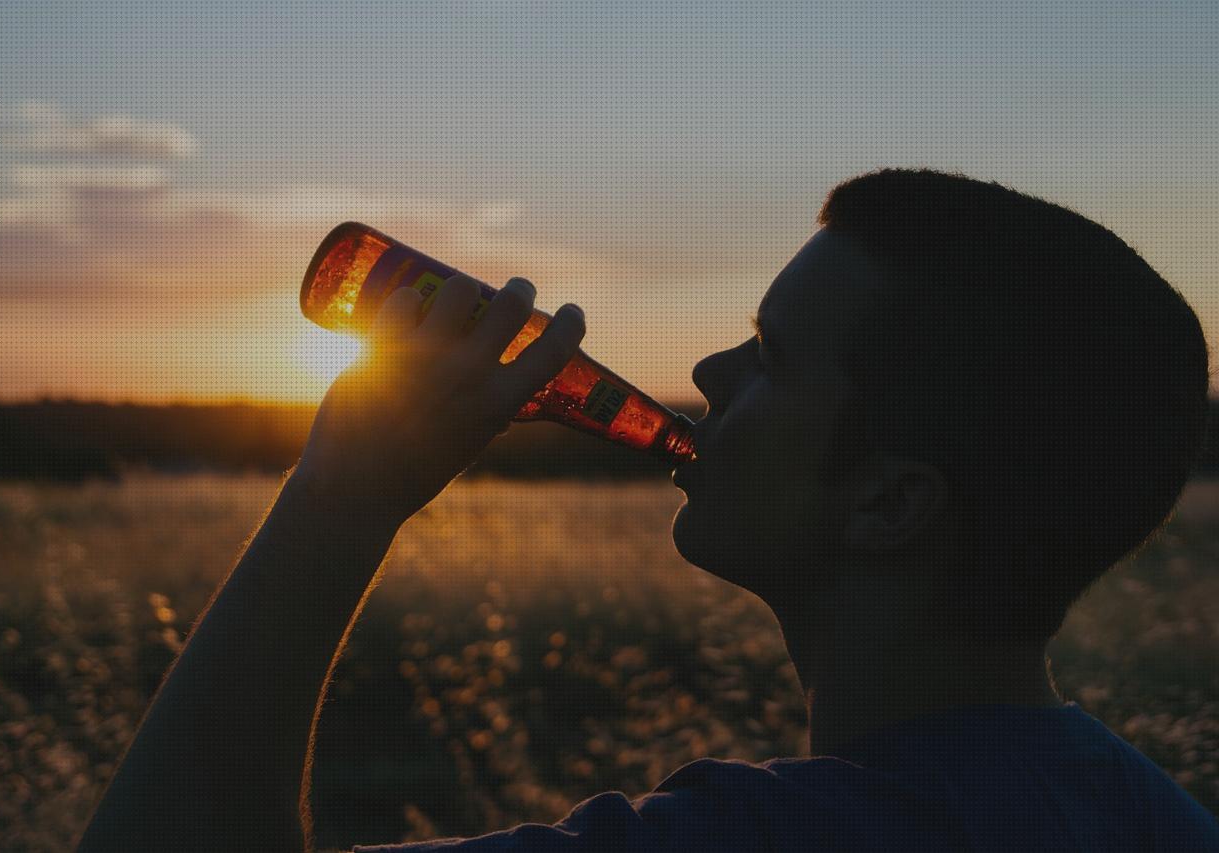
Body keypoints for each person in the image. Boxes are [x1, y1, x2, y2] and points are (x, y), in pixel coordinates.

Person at [77, 170, 1219, 852]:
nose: (710, 369)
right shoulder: (1146, 813)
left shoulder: (773, 838)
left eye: (770, 354)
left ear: (888, 504)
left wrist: (340, 497)